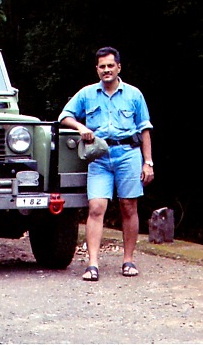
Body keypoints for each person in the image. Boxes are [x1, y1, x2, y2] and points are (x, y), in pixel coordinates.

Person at [59, 47, 154, 281]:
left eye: (110, 65)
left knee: (128, 206)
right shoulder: (87, 94)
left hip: (128, 155)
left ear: (118, 67)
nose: (106, 70)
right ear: (97, 69)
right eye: (102, 66)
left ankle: (128, 260)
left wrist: (148, 162)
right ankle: (92, 265)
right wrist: (82, 127)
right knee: (96, 208)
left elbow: (145, 130)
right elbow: (64, 116)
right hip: (99, 157)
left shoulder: (134, 95)